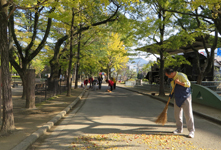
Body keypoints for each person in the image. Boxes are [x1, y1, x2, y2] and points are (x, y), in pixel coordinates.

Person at [165, 67, 195, 138]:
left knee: (188, 115)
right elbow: (173, 88)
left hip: (185, 96)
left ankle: (191, 131)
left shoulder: (181, 75)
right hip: (177, 97)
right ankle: (179, 129)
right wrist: (172, 94)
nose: (167, 76)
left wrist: (179, 83)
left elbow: (188, 84)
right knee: (177, 114)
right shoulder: (171, 79)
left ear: (172, 73)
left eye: (168, 75)